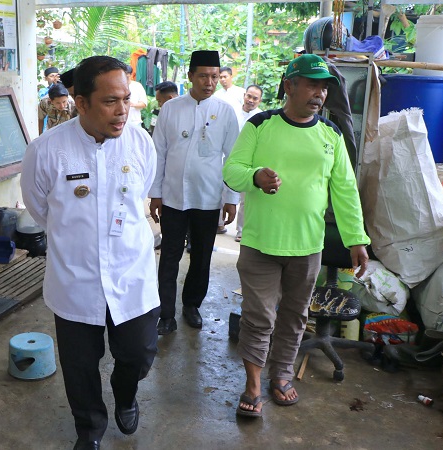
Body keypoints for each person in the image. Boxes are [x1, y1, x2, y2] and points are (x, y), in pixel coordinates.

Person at [21, 56, 160, 450]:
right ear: (80, 103)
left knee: (138, 353)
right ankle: (90, 428)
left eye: (126, 99)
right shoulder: (47, 150)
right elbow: (39, 209)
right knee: (80, 368)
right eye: (110, 102)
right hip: (75, 280)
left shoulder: (139, 141)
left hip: (131, 274)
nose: (122, 112)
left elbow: (142, 192)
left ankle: (126, 393)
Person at [222, 54, 370, 418]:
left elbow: (346, 191)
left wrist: (356, 238)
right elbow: (232, 170)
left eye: (324, 87)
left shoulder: (330, 135)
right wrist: (255, 175)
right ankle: (254, 385)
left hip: (307, 247)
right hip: (260, 242)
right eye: (312, 84)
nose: (319, 93)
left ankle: (282, 375)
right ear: (289, 86)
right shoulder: (260, 125)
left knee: (294, 317)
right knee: (258, 317)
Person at [149, 50, 240, 335]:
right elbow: (159, 152)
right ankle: (165, 313)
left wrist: (231, 198)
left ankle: (191, 305)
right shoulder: (171, 109)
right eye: (203, 75)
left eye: (214, 76)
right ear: (190, 76)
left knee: (202, 256)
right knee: (169, 256)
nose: (209, 82)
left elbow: (233, 158)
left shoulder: (225, 112)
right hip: (173, 197)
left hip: (208, 198)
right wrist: (155, 193)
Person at [223, 84, 265, 241]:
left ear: (260, 101)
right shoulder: (233, 112)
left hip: (250, 162)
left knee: (245, 199)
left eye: (255, 98)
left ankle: (242, 230)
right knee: (222, 191)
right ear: (244, 95)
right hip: (228, 157)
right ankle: (219, 224)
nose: (251, 100)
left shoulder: (261, 118)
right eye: (249, 96)